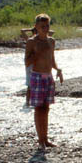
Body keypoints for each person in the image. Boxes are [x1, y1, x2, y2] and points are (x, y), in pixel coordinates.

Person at [24, 14, 63, 150]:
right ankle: (40, 140)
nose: (45, 28)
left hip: (48, 76)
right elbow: (26, 62)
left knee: (46, 109)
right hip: (37, 77)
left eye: (47, 26)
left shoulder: (51, 41)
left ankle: (45, 139)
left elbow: (52, 59)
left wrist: (58, 69)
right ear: (36, 27)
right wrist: (36, 54)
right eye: (42, 26)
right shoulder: (31, 42)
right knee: (38, 109)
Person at [20, 26, 55, 107]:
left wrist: (42, 29)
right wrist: (31, 29)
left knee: (33, 84)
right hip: (31, 64)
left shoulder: (46, 39)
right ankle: (28, 101)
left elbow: (52, 32)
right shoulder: (31, 40)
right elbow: (22, 30)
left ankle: (30, 101)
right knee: (30, 84)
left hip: (40, 66)